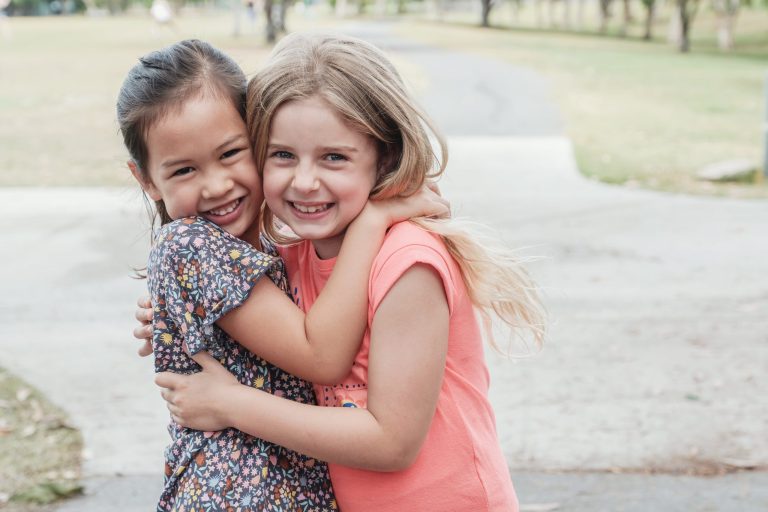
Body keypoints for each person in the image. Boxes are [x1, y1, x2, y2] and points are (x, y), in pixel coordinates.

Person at [140, 33, 547, 511]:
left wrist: (231, 404)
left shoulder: (407, 263)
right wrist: (179, 313)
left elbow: (392, 442)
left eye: (334, 157)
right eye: (283, 155)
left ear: (385, 157)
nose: (306, 181)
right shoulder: (293, 261)